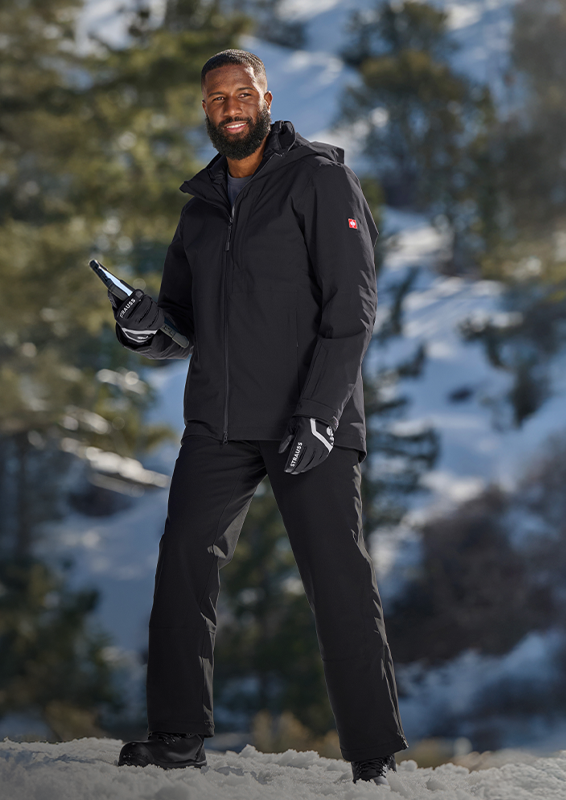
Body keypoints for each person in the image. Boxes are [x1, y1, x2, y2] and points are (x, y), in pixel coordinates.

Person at [111, 49, 408, 786]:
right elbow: (182, 325)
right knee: (183, 563)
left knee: (338, 577)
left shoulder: (320, 179)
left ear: (267, 96)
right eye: (216, 98)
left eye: (242, 92)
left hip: (312, 420)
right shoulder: (201, 208)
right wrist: (144, 328)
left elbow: (353, 312)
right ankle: (178, 735)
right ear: (205, 110)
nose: (230, 105)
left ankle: (377, 753)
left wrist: (319, 415)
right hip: (219, 421)